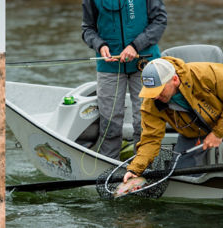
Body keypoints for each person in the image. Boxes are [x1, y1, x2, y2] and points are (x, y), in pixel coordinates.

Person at [81, 0, 166, 159]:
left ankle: (144, 166)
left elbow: (160, 21)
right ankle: (109, 166)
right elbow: (87, 29)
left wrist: (135, 46)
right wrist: (99, 45)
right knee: (109, 124)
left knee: (145, 121)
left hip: (144, 63)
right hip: (109, 66)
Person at [123, 57, 223, 183]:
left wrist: (218, 132)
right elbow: (150, 139)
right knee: (181, 179)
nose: (155, 96)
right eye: (150, 92)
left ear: (175, 80)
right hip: (193, 134)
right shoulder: (151, 101)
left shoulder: (208, 74)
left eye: (159, 90)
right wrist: (135, 169)